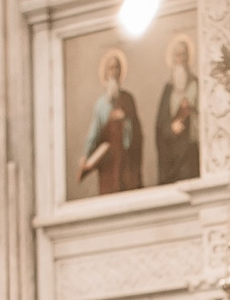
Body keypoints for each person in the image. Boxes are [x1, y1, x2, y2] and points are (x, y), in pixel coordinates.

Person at [78, 50, 144, 195]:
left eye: (116, 68)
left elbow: (137, 132)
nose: (114, 71)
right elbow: (93, 134)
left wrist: (125, 119)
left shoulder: (128, 99)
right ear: (105, 73)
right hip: (108, 164)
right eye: (110, 68)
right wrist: (85, 157)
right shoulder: (100, 105)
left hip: (126, 161)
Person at [155, 33, 200, 184]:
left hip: (191, 149)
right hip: (172, 152)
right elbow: (160, 125)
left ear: (188, 57)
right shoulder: (168, 89)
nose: (180, 59)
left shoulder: (196, 85)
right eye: (177, 55)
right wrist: (171, 127)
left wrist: (192, 111)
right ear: (172, 59)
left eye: (183, 54)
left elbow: (206, 116)